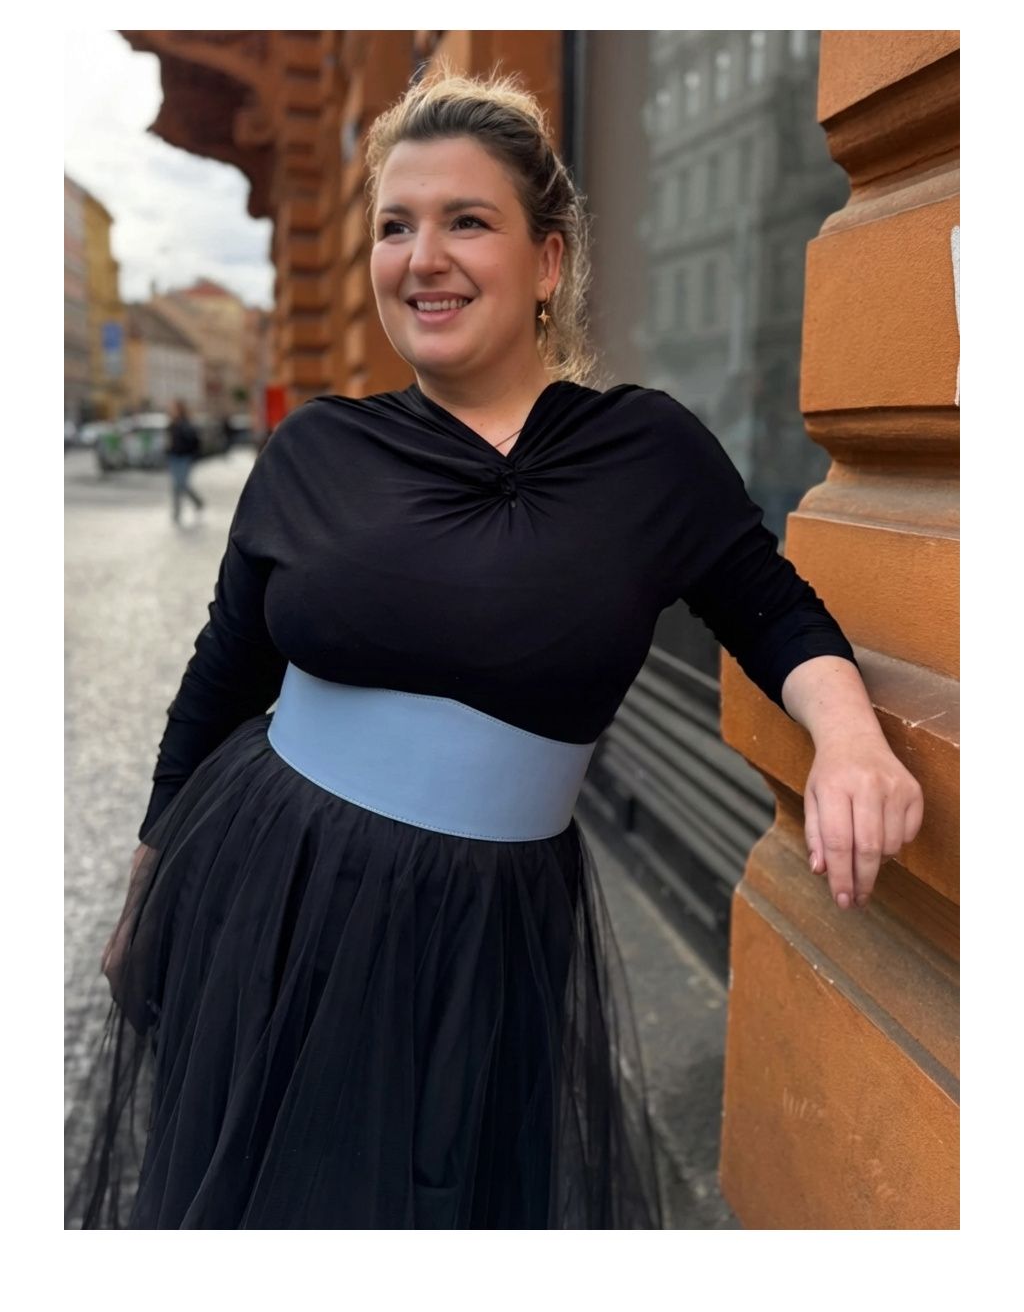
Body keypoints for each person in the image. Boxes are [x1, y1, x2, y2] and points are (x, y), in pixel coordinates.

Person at [67, 66, 923, 1230]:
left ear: (547, 261)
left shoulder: (647, 455)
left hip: (481, 931)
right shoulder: (315, 450)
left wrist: (851, 737)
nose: (423, 258)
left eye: (466, 221)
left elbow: (774, 613)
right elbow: (219, 681)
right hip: (272, 890)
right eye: (395, 227)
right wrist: (144, 893)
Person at [165, 400, 204, 524]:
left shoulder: (186, 424)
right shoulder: (171, 424)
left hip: (184, 457)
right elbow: (169, 440)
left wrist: (192, 455)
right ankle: (178, 512)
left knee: (181, 484)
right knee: (176, 485)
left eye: (174, 409)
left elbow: (194, 440)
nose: (172, 411)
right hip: (174, 457)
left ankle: (196, 502)